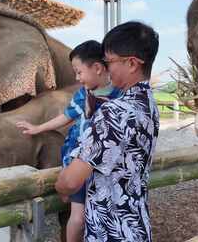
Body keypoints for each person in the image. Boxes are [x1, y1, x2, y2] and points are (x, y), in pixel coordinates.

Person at [55, 21, 160, 242]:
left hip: (111, 232)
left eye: (109, 61)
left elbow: (72, 180)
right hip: (137, 226)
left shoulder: (115, 111)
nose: (106, 68)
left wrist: (60, 184)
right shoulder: (149, 103)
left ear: (132, 63)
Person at [16, 40, 121, 242]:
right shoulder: (83, 94)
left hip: (106, 164)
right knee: (78, 217)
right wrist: (38, 128)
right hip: (80, 160)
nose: (77, 77)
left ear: (98, 68)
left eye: (79, 72)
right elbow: (67, 116)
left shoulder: (120, 95)